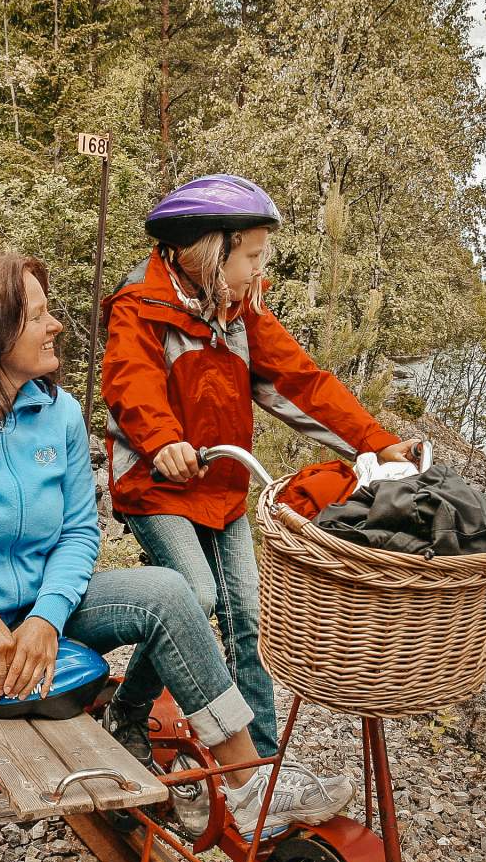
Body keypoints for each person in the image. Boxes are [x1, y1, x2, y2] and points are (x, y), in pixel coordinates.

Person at [0, 250, 350, 862]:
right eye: (38, 316)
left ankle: (250, 784)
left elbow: (78, 535)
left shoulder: (56, 415)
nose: (56, 325)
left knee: (169, 592)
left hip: (45, 603)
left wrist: (45, 618)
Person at [100, 174, 422, 765]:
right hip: (158, 485)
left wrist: (376, 443)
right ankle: (129, 710)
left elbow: (302, 383)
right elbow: (130, 384)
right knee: (193, 598)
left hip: (222, 486)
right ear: (209, 249)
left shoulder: (240, 312)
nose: (256, 269)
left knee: (249, 614)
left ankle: (264, 762)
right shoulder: (139, 307)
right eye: (250, 255)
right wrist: (163, 440)